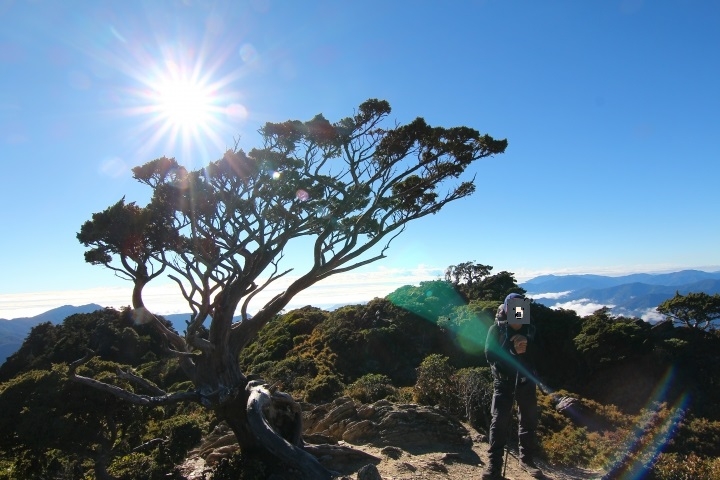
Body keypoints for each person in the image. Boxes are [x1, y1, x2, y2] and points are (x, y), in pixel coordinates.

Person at [482, 293, 544, 479]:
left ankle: (526, 459)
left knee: (529, 420)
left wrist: (527, 349)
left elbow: (541, 355)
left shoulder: (531, 329)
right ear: (507, 310)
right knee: (499, 420)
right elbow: (489, 355)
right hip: (503, 382)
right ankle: (494, 464)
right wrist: (511, 349)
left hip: (525, 382)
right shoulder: (496, 329)